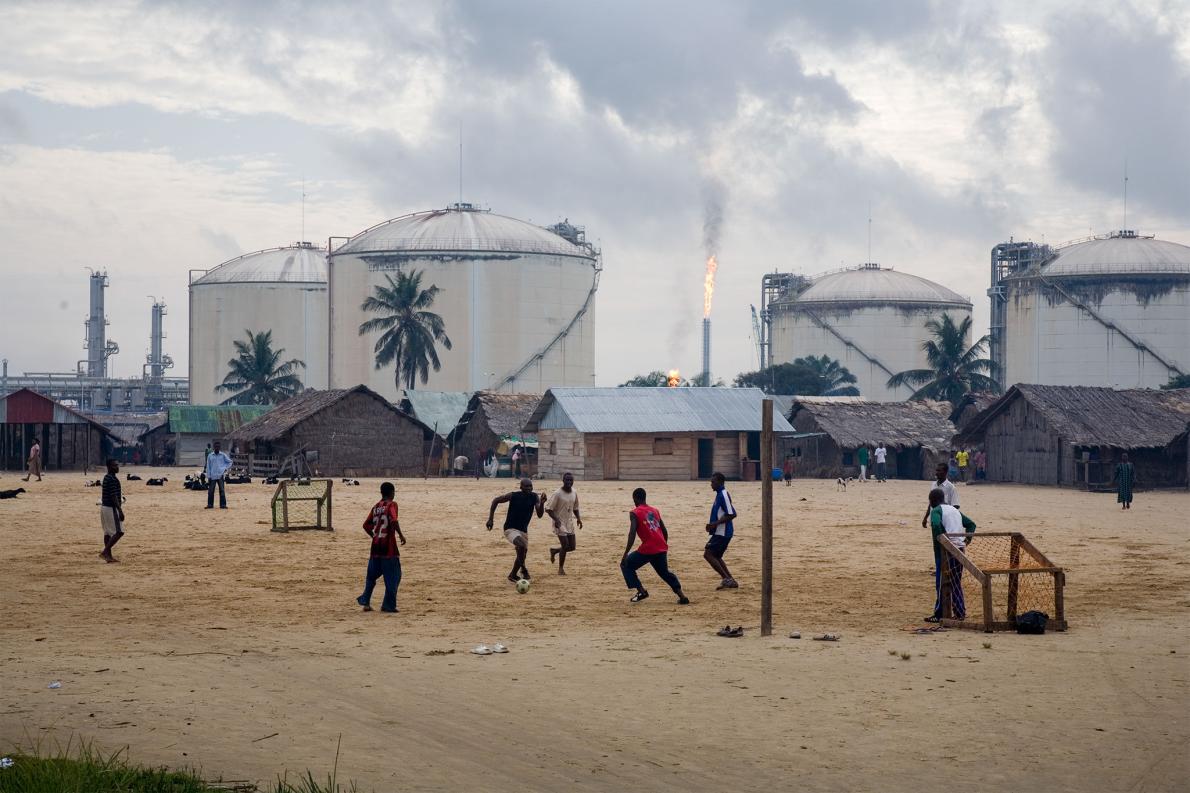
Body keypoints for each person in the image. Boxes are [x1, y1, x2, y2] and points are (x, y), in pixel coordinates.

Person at [620, 488, 690, 605]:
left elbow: (632, 533)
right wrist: (663, 545)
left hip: (648, 548)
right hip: (661, 546)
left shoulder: (634, 513)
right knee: (664, 573)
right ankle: (682, 596)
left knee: (625, 564)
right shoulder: (655, 510)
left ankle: (641, 591)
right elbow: (664, 531)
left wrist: (625, 553)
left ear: (635, 498)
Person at [925, 487, 977, 622]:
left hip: (945, 552)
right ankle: (960, 612)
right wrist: (967, 539)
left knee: (941, 582)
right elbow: (971, 524)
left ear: (933, 500)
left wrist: (942, 540)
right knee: (955, 582)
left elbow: (936, 524)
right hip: (960, 549)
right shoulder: (955, 510)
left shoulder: (936, 511)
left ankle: (939, 614)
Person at [357, 481, 405, 613]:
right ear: (392, 493)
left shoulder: (376, 507)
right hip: (389, 549)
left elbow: (366, 525)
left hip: (375, 547)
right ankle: (388, 605)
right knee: (394, 575)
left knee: (371, 576)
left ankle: (365, 601)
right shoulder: (392, 505)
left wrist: (374, 536)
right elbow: (394, 520)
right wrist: (401, 534)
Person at [487, 478, 544, 583]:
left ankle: (513, 575)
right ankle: (523, 569)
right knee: (521, 546)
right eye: (526, 486)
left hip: (523, 530)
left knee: (522, 553)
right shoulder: (513, 495)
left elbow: (540, 514)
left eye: (530, 486)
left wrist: (543, 503)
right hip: (510, 528)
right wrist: (490, 519)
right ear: (521, 487)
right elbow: (496, 500)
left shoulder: (534, 497)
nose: (529, 488)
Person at [704, 472, 738, 589]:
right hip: (720, 531)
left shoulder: (723, 495)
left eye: (713, 482)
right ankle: (730, 580)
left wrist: (715, 524)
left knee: (708, 554)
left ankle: (726, 579)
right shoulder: (719, 494)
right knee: (716, 556)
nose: (711, 484)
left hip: (723, 532)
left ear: (720, 482)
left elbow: (732, 514)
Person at [546, 472, 583, 574]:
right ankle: (561, 568)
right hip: (559, 523)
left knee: (572, 547)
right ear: (563, 480)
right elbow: (548, 509)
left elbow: (575, 508)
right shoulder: (557, 493)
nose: (569, 482)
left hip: (569, 522)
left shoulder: (574, 492)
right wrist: (557, 520)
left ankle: (554, 551)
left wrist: (579, 519)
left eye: (571, 480)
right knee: (565, 545)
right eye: (567, 480)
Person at [99, 458, 125, 563]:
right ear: (109, 467)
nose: (117, 467)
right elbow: (113, 496)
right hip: (111, 508)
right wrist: (120, 510)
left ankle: (108, 557)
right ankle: (105, 552)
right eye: (115, 465)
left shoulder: (106, 477)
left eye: (117, 465)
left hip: (104, 507)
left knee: (107, 533)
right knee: (119, 532)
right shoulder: (112, 479)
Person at [921, 462, 959, 528]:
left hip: (945, 521)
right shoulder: (933, 485)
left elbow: (955, 506)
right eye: (936, 470)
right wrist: (925, 518)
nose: (936, 473)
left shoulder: (951, 487)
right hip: (934, 519)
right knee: (936, 537)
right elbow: (931, 503)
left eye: (939, 471)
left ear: (945, 472)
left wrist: (949, 518)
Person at [204, 440, 233, 509]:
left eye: (218, 446)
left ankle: (223, 505)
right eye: (216, 446)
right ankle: (210, 505)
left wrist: (225, 468)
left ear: (220, 447)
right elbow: (208, 466)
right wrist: (209, 476)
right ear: (214, 447)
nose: (217, 448)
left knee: (222, 490)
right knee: (211, 491)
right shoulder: (210, 456)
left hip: (220, 475)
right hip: (212, 476)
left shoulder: (223, 455)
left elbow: (230, 462)